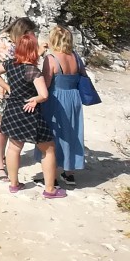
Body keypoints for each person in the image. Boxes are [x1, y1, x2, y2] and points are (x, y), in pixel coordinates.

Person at [0, 31, 63, 196]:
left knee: (13, 148)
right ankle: (49, 189)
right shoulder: (33, 71)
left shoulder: (10, 64)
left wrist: (8, 88)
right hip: (29, 114)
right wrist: (35, 99)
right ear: (33, 50)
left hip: (12, 111)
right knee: (48, 149)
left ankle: (14, 184)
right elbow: (45, 95)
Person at [0, 17, 35, 183]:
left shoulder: (2, 39)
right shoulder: (4, 42)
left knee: (7, 126)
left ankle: (4, 159)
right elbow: (16, 63)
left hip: (8, 87)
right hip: (1, 87)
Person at [39, 25, 86, 185]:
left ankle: (52, 176)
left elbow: (46, 82)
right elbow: (83, 76)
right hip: (74, 98)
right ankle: (69, 173)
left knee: (53, 135)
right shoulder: (76, 57)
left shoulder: (51, 58)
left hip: (56, 98)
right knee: (72, 133)